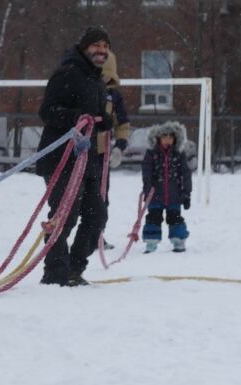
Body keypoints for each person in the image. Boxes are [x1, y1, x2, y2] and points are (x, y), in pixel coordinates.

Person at [35, 26, 113, 287]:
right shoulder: (67, 72)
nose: (101, 51)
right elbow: (47, 111)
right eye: (96, 45)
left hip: (86, 159)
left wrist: (104, 121)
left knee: (96, 215)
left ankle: (74, 268)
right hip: (62, 158)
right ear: (84, 47)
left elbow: (96, 115)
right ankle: (55, 273)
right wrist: (75, 117)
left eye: (105, 46)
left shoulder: (96, 80)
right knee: (64, 216)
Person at [97, 49, 131, 250]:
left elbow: (122, 123)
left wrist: (120, 146)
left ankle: (97, 234)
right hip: (79, 153)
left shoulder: (113, 96)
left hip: (102, 155)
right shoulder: (81, 88)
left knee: (101, 198)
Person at [141, 121, 192, 253]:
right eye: (164, 137)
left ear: (175, 139)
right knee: (153, 219)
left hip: (174, 195)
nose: (167, 140)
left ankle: (178, 241)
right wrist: (148, 191)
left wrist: (186, 194)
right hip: (155, 195)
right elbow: (146, 173)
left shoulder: (178, 155)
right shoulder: (152, 154)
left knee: (175, 219)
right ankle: (151, 243)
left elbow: (185, 174)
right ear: (158, 138)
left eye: (170, 137)